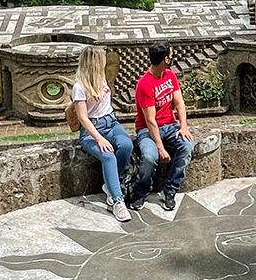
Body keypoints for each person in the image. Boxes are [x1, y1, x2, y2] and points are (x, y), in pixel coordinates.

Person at [130, 41, 195, 213]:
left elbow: (179, 103)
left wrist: (183, 127)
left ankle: (170, 190)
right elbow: (150, 120)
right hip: (148, 130)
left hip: (170, 125)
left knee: (187, 146)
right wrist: (160, 147)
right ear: (165, 59)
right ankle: (141, 191)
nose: (173, 58)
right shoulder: (145, 84)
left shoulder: (170, 76)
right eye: (171, 55)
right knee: (150, 157)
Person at [71, 45, 133, 223]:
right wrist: (99, 138)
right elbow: (83, 117)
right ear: (94, 63)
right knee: (108, 155)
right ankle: (117, 201)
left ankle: (110, 186)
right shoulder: (79, 87)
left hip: (110, 122)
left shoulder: (102, 78)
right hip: (92, 129)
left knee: (126, 145)